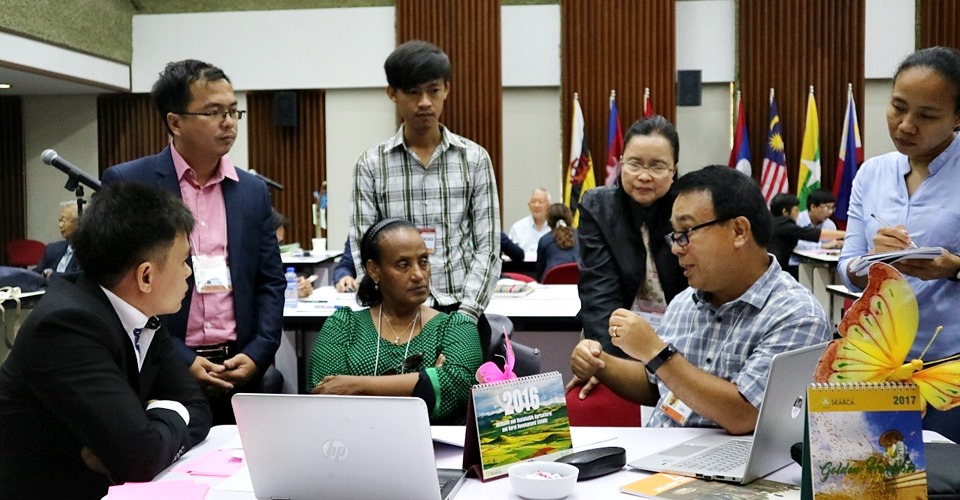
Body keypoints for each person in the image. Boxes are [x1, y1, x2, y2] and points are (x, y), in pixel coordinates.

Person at [569, 166, 831, 434]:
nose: (675, 247)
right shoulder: (685, 302)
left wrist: (655, 352)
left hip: (729, 468)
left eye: (686, 232)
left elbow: (744, 414)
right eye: (674, 234)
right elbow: (657, 385)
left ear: (739, 231)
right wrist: (601, 363)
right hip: (661, 453)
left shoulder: (796, 314)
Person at [101, 59, 285, 425]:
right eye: (213, 112)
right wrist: (181, 358)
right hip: (162, 369)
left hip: (241, 368)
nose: (228, 122)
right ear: (175, 121)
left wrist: (259, 352)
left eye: (234, 111)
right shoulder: (129, 183)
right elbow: (118, 291)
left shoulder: (252, 191)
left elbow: (270, 281)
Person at [0, 183, 212, 499]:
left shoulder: (145, 312)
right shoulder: (65, 327)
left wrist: (152, 426)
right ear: (146, 276)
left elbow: (198, 408)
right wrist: (159, 423)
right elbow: (139, 459)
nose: (188, 273)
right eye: (183, 261)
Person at [838, 46, 960, 443]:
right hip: (877, 364)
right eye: (898, 107)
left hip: (949, 369)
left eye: (927, 116)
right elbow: (848, 269)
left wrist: (952, 267)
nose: (906, 125)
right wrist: (872, 261)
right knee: (874, 480)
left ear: (957, 117)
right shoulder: (872, 173)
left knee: (942, 481)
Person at [350, 40, 501, 359]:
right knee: (400, 408)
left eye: (433, 91)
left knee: (465, 409)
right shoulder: (371, 164)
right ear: (392, 93)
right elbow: (362, 247)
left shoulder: (474, 159)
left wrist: (464, 319)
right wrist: (385, 312)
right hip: (395, 320)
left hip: (462, 313)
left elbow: (488, 247)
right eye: (412, 92)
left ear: (447, 89)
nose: (424, 102)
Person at [309, 218, 482, 424]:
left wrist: (356, 385)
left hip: (435, 450)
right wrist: (427, 380)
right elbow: (326, 395)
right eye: (403, 265)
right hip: (356, 447)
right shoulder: (344, 326)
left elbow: (458, 388)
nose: (418, 275)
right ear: (374, 270)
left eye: (424, 262)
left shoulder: (455, 326)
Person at [577, 115, 688, 360]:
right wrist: (607, 361)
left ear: (674, 170)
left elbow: (701, 294)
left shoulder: (691, 208)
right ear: (621, 163)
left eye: (657, 166)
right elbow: (598, 294)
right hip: (615, 337)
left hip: (683, 340)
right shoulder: (597, 207)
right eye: (635, 163)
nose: (644, 176)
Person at [768, 193, 845, 278]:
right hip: (774, 270)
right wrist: (846, 234)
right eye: (796, 210)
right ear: (785, 212)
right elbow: (812, 233)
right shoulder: (784, 225)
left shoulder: (773, 222)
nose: (798, 213)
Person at [33, 200, 83, 277]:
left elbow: (78, 278)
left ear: (78, 222)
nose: (60, 225)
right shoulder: (52, 249)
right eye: (59, 220)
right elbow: (36, 274)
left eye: (64, 221)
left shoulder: (87, 253)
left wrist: (53, 275)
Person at [536, 203, 579, 281]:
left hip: (551, 287)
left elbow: (540, 273)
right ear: (570, 218)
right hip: (581, 286)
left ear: (548, 220)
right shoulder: (582, 237)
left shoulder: (544, 240)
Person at [508, 188, 552, 255]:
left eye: (541, 201)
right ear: (529, 206)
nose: (536, 205)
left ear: (549, 206)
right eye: (533, 201)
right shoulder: (517, 227)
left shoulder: (555, 227)